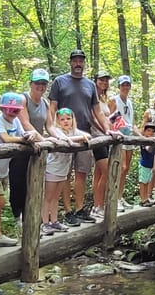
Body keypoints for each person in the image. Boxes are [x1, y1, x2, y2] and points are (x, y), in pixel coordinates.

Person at [47, 49, 119, 226]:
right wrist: (53, 130)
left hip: (85, 135)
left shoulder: (89, 85)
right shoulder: (59, 82)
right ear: (70, 62)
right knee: (63, 174)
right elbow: (52, 108)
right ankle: (68, 211)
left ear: (84, 63)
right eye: (75, 60)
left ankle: (79, 209)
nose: (78, 63)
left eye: (81, 60)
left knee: (82, 173)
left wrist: (107, 130)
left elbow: (97, 111)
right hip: (64, 135)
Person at [0, 93, 42, 248]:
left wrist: (29, 138)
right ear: (2, 108)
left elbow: (21, 134)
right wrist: (25, 140)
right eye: (8, 109)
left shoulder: (16, 121)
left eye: (15, 110)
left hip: (3, 169)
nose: (12, 112)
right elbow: (6, 139)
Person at [7, 68, 51, 230]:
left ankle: (32, 223)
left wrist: (63, 139)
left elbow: (51, 126)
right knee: (19, 185)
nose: (40, 86)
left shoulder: (45, 103)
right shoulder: (23, 99)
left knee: (36, 185)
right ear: (31, 83)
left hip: (37, 149)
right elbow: (25, 123)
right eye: (37, 83)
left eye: (43, 83)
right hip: (22, 149)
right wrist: (44, 141)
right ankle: (16, 219)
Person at [43, 108, 90, 235]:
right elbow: (63, 139)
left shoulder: (73, 131)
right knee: (48, 197)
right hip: (53, 168)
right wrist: (80, 138)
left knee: (56, 197)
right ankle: (45, 223)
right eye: (62, 119)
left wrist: (81, 136)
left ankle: (54, 221)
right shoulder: (56, 131)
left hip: (63, 169)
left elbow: (87, 135)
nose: (65, 121)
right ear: (57, 121)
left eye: (68, 119)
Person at [108, 75, 136, 212]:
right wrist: (117, 131)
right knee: (121, 167)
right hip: (119, 138)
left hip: (129, 137)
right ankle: (114, 199)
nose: (125, 87)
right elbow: (110, 119)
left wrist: (142, 136)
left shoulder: (130, 103)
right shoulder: (114, 100)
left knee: (126, 169)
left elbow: (132, 123)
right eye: (123, 85)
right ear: (119, 86)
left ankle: (120, 197)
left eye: (127, 85)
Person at [90, 71, 113, 221]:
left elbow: (106, 117)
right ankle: (99, 206)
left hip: (106, 138)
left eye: (106, 80)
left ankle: (97, 206)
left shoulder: (104, 99)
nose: (104, 82)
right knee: (107, 170)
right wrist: (105, 130)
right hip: (97, 137)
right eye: (101, 80)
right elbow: (93, 118)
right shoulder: (91, 97)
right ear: (95, 81)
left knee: (99, 173)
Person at [138, 121, 155, 207]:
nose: (150, 133)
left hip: (149, 165)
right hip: (144, 165)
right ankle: (143, 200)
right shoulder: (144, 141)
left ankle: (146, 198)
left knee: (147, 182)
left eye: (152, 131)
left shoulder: (152, 140)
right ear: (144, 131)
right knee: (143, 182)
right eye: (148, 130)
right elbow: (148, 149)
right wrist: (154, 142)